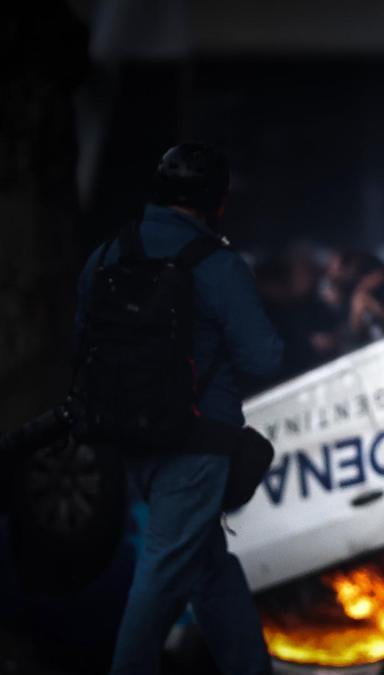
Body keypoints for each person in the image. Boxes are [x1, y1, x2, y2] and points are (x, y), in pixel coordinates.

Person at [76, 143, 282, 675]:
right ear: (218, 199)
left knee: (208, 568)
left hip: (124, 438)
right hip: (196, 444)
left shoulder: (106, 253)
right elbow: (264, 356)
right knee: (164, 572)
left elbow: (82, 344)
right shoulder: (216, 262)